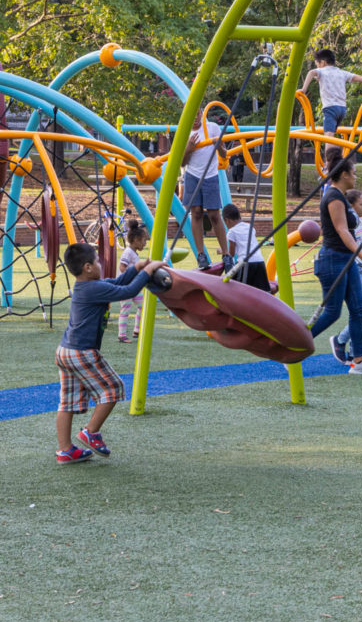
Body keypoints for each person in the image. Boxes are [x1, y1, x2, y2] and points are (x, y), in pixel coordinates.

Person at [55, 242, 163, 464]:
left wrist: (137, 267)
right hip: (81, 352)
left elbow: (117, 282)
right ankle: (90, 432)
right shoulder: (94, 288)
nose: (99, 264)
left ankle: (65, 450)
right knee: (114, 388)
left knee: (67, 403)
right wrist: (148, 271)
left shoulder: (87, 286)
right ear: (87, 267)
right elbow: (128, 291)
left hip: (65, 351)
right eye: (96, 261)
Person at [309, 151, 362, 375]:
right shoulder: (333, 196)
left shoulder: (340, 195)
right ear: (343, 174)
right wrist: (361, 255)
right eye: (353, 173)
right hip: (334, 259)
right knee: (332, 312)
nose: (356, 177)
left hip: (346, 259)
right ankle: (293, 348)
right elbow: (342, 230)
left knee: (358, 310)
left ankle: (358, 361)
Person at [329, 190, 362, 364]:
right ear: (350, 205)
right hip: (357, 268)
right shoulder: (345, 225)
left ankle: (354, 351)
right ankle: (340, 339)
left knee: (359, 313)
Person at [181, 110, 232, 272]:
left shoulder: (213, 128)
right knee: (195, 213)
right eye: (192, 114)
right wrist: (188, 148)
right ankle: (201, 255)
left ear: (202, 113)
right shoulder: (184, 132)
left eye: (198, 113)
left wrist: (219, 147)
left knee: (214, 214)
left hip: (210, 175)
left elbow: (224, 154)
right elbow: (182, 163)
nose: (195, 117)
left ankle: (226, 254)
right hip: (192, 175)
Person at [300, 49, 362, 136]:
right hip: (342, 109)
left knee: (328, 135)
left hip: (330, 108)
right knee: (332, 133)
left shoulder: (321, 71)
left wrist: (303, 89)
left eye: (317, 64)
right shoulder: (342, 73)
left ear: (322, 62)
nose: (317, 67)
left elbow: (311, 72)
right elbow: (361, 78)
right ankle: (333, 149)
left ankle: (329, 149)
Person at [221, 203, 271, 292]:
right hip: (259, 261)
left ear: (227, 220)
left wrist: (223, 251)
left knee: (239, 289)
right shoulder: (250, 227)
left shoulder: (231, 232)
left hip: (246, 263)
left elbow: (231, 254)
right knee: (263, 291)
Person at [117, 219, 148, 343]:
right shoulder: (128, 252)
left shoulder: (134, 253)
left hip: (133, 287)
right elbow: (122, 267)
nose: (145, 243)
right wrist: (130, 278)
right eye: (144, 240)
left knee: (142, 306)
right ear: (136, 240)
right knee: (125, 309)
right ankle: (122, 335)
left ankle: (137, 330)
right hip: (126, 287)